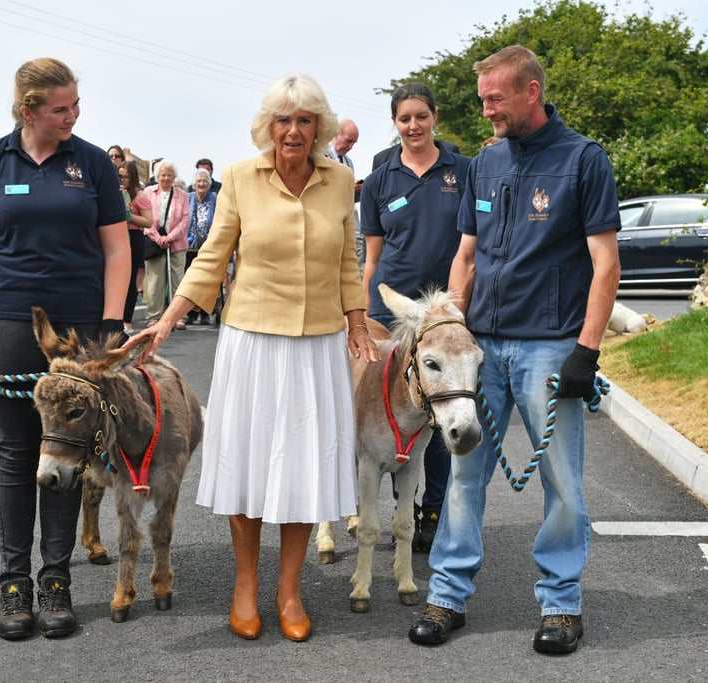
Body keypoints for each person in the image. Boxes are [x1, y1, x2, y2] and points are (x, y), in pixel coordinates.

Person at [130, 74, 380, 643]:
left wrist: (358, 323)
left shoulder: (341, 181)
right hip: (252, 340)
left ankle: (288, 590)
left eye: (305, 120)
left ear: (319, 127)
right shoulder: (242, 177)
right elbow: (213, 255)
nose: (293, 130)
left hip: (318, 345)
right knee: (246, 463)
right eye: (283, 120)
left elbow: (347, 261)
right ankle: (246, 584)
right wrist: (167, 320)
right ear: (267, 126)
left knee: (304, 468)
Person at [407, 45, 621, 655]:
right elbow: (467, 255)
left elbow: (606, 263)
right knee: (464, 473)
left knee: (560, 480)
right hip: (482, 350)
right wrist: (446, 323)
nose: (486, 110)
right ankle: (447, 595)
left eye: (495, 99)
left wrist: (587, 350)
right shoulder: (487, 163)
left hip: (550, 349)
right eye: (481, 100)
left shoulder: (583, 161)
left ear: (531, 91)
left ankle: (560, 605)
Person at [0, 56, 130, 641]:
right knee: (15, 450)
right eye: (61, 108)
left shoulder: (93, 163)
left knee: (67, 448)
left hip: (79, 327)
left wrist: (112, 323)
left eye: (76, 104)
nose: (73, 116)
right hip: (6, 318)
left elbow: (116, 250)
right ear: (28, 109)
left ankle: (56, 579)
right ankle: (13, 583)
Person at [359, 83, 472, 554]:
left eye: (421, 116)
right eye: (404, 118)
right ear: (395, 122)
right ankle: (403, 502)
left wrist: (461, 305)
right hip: (393, 308)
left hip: (447, 310)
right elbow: (372, 255)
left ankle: (433, 510)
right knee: (396, 413)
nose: (413, 126)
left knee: (442, 412)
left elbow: (473, 245)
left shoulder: (463, 170)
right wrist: (365, 314)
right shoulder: (381, 179)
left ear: (434, 117)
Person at [141, 159, 189, 329]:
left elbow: (185, 219)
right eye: (163, 175)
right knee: (155, 281)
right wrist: (157, 237)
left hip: (177, 243)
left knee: (178, 280)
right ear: (157, 176)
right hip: (154, 242)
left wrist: (170, 237)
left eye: (169, 175)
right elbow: (145, 217)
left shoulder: (182, 195)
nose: (166, 178)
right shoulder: (148, 192)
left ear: (174, 177)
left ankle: (178, 317)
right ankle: (154, 315)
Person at [326, 118, 365, 274]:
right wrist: (348, 188)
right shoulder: (320, 156)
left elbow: (349, 197)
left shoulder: (349, 162)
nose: (350, 147)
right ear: (337, 134)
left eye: (354, 143)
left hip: (348, 215)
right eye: (349, 141)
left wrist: (358, 190)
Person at [118, 159, 151, 333]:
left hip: (134, 236)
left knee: (130, 280)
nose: (122, 180)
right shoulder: (115, 191)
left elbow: (148, 221)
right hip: (116, 235)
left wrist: (129, 216)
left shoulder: (140, 195)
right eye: (120, 176)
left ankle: (127, 321)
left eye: (126, 177)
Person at [182, 167, 217, 325]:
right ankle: (190, 313)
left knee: (205, 281)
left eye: (204, 181)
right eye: (198, 181)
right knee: (190, 280)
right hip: (189, 245)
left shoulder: (215, 198)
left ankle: (204, 313)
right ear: (194, 183)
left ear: (209, 184)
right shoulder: (188, 197)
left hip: (208, 245)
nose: (201, 183)